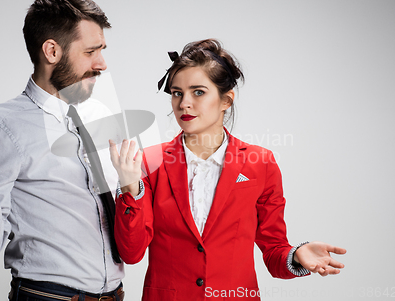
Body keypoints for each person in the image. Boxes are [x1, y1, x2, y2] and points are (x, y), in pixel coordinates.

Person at [109, 39, 346, 300]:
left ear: (226, 100)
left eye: (198, 92)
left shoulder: (261, 163)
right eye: (177, 93)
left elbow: (274, 250)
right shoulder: (148, 162)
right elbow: (131, 254)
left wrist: (297, 256)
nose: (184, 103)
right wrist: (131, 188)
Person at [0, 0, 125, 301]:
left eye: (102, 50)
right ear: (52, 51)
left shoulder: (102, 116)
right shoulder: (0, 127)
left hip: (114, 295)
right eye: (91, 52)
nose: (102, 64)